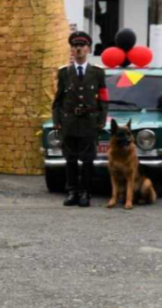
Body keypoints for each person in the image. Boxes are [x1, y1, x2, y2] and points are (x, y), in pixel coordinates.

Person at [52, 31, 108, 208]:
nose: (78, 49)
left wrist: (101, 120)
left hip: (89, 122)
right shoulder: (64, 73)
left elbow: (104, 98)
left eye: (82, 46)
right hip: (69, 122)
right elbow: (58, 100)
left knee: (88, 160)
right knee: (70, 159)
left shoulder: (97, 72)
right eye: (75, 46)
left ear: (88, 49)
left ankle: (85, 193)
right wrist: (57, 121)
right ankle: (72, 192)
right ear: (71, 49)